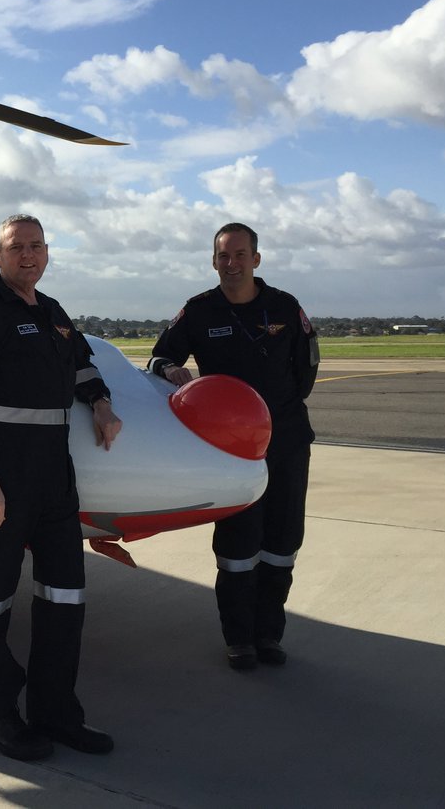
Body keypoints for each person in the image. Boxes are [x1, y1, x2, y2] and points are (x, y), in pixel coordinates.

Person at [0, 214, 123, 761]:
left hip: (53, 480)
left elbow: (82, 366)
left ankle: (56, 712)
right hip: (3, 480)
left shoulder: (53, 313)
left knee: (65, 595)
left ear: (47, 254)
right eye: (16, 247)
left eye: (37, 246)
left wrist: (101, 403)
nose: (28, 255)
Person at [148, 222, 318, 671]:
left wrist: (274, 412)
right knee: (238, 544)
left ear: (256, 259)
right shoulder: (199, 310)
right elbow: (160, 356)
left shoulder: (285, 306)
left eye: (241, 254)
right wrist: (171, 371)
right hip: (230, 448)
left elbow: (306, 370)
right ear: (213, 261)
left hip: (286, 440)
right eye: (224, 255)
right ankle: (239, 639)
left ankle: (269, 634)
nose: (232, 263)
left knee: (283, 540)